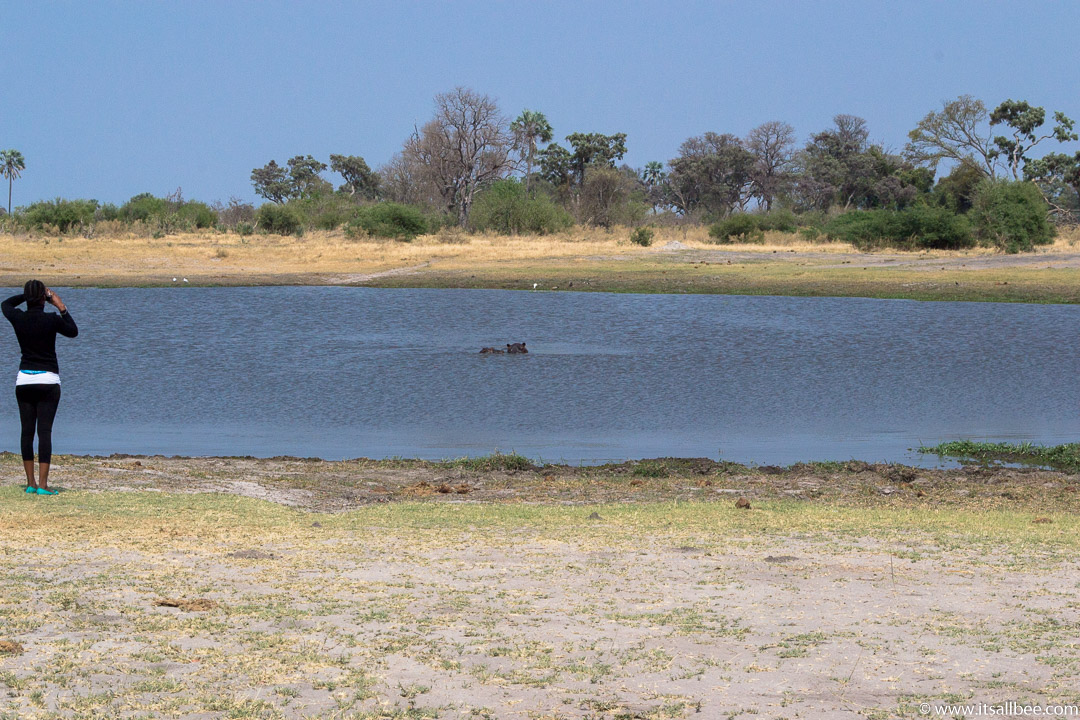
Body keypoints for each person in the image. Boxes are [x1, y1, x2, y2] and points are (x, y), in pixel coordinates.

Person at [2, 281, 78, 495]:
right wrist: (60, 306)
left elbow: (5, 304)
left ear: (28, 298)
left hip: (24, 380)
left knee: (27, 433)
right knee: (44, 432)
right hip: (48, 381)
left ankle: (30, 483)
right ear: (44, 299)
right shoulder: (51, 320)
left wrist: (27, 296)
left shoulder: (18, 318)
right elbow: (73, 331)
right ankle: (43, 486)